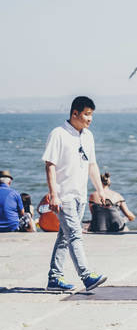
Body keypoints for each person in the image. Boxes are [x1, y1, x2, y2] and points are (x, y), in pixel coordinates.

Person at [42, 96, 107, 291]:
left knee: (65, 236)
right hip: (64, 195)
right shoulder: (58, 134)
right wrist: (54, 194)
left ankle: (54, 279)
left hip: (80, 195)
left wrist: (100, 189)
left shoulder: (88, 136)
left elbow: (92, 165)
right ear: (75, 113)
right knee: (75, 235)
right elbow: (50, 165)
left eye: (91, 115)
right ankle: (86, 276)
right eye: (87, 114)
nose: (90, 119)